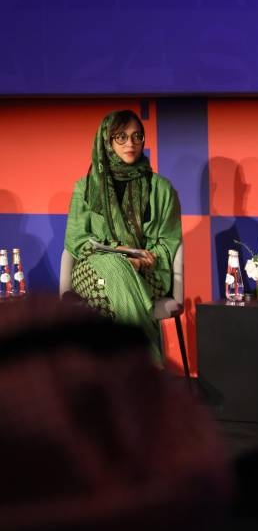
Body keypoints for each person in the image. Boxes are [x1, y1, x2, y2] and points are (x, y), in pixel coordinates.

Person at [64, 109, 182, 363]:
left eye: (137, 136)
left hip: (149, 270)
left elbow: (169, 241)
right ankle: (146, 366)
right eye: (121, 137)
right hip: (93, 269)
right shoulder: (85, 187)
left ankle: (112, 374)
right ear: (106, 141)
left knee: (111, 286)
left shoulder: (161, 188)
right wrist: (119, 252)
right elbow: (76, 239)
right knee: (114, 266)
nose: (131, 143)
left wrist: (140, 261)